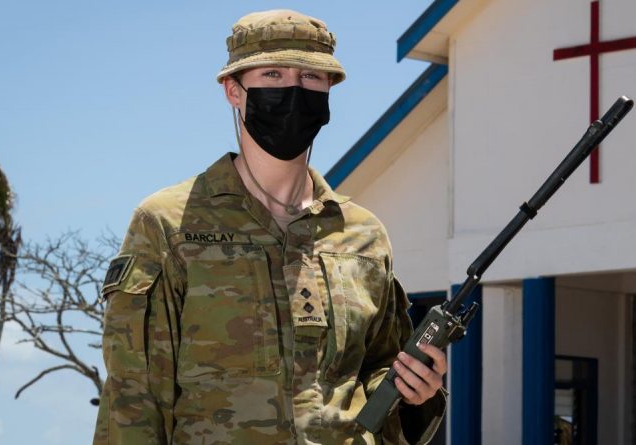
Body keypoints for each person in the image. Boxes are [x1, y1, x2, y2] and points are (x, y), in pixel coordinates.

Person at [92, 9, 447, 445]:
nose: (293, 91)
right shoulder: (169, 224)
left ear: (329, 90)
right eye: (273, 74)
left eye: (311, 78)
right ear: (233, 91)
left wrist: (416, 394)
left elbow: (376, 374)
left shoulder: (363, 235)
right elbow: (135, 396)